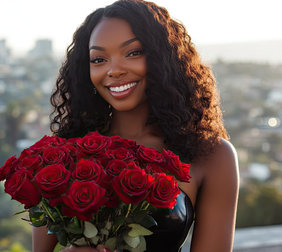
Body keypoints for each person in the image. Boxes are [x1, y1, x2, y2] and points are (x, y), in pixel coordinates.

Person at [33, 0, 239, 251]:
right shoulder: (61, 157)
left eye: (133, 53)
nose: (114, 70)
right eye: (98, 59)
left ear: (164, 58)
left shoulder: (212, 156)